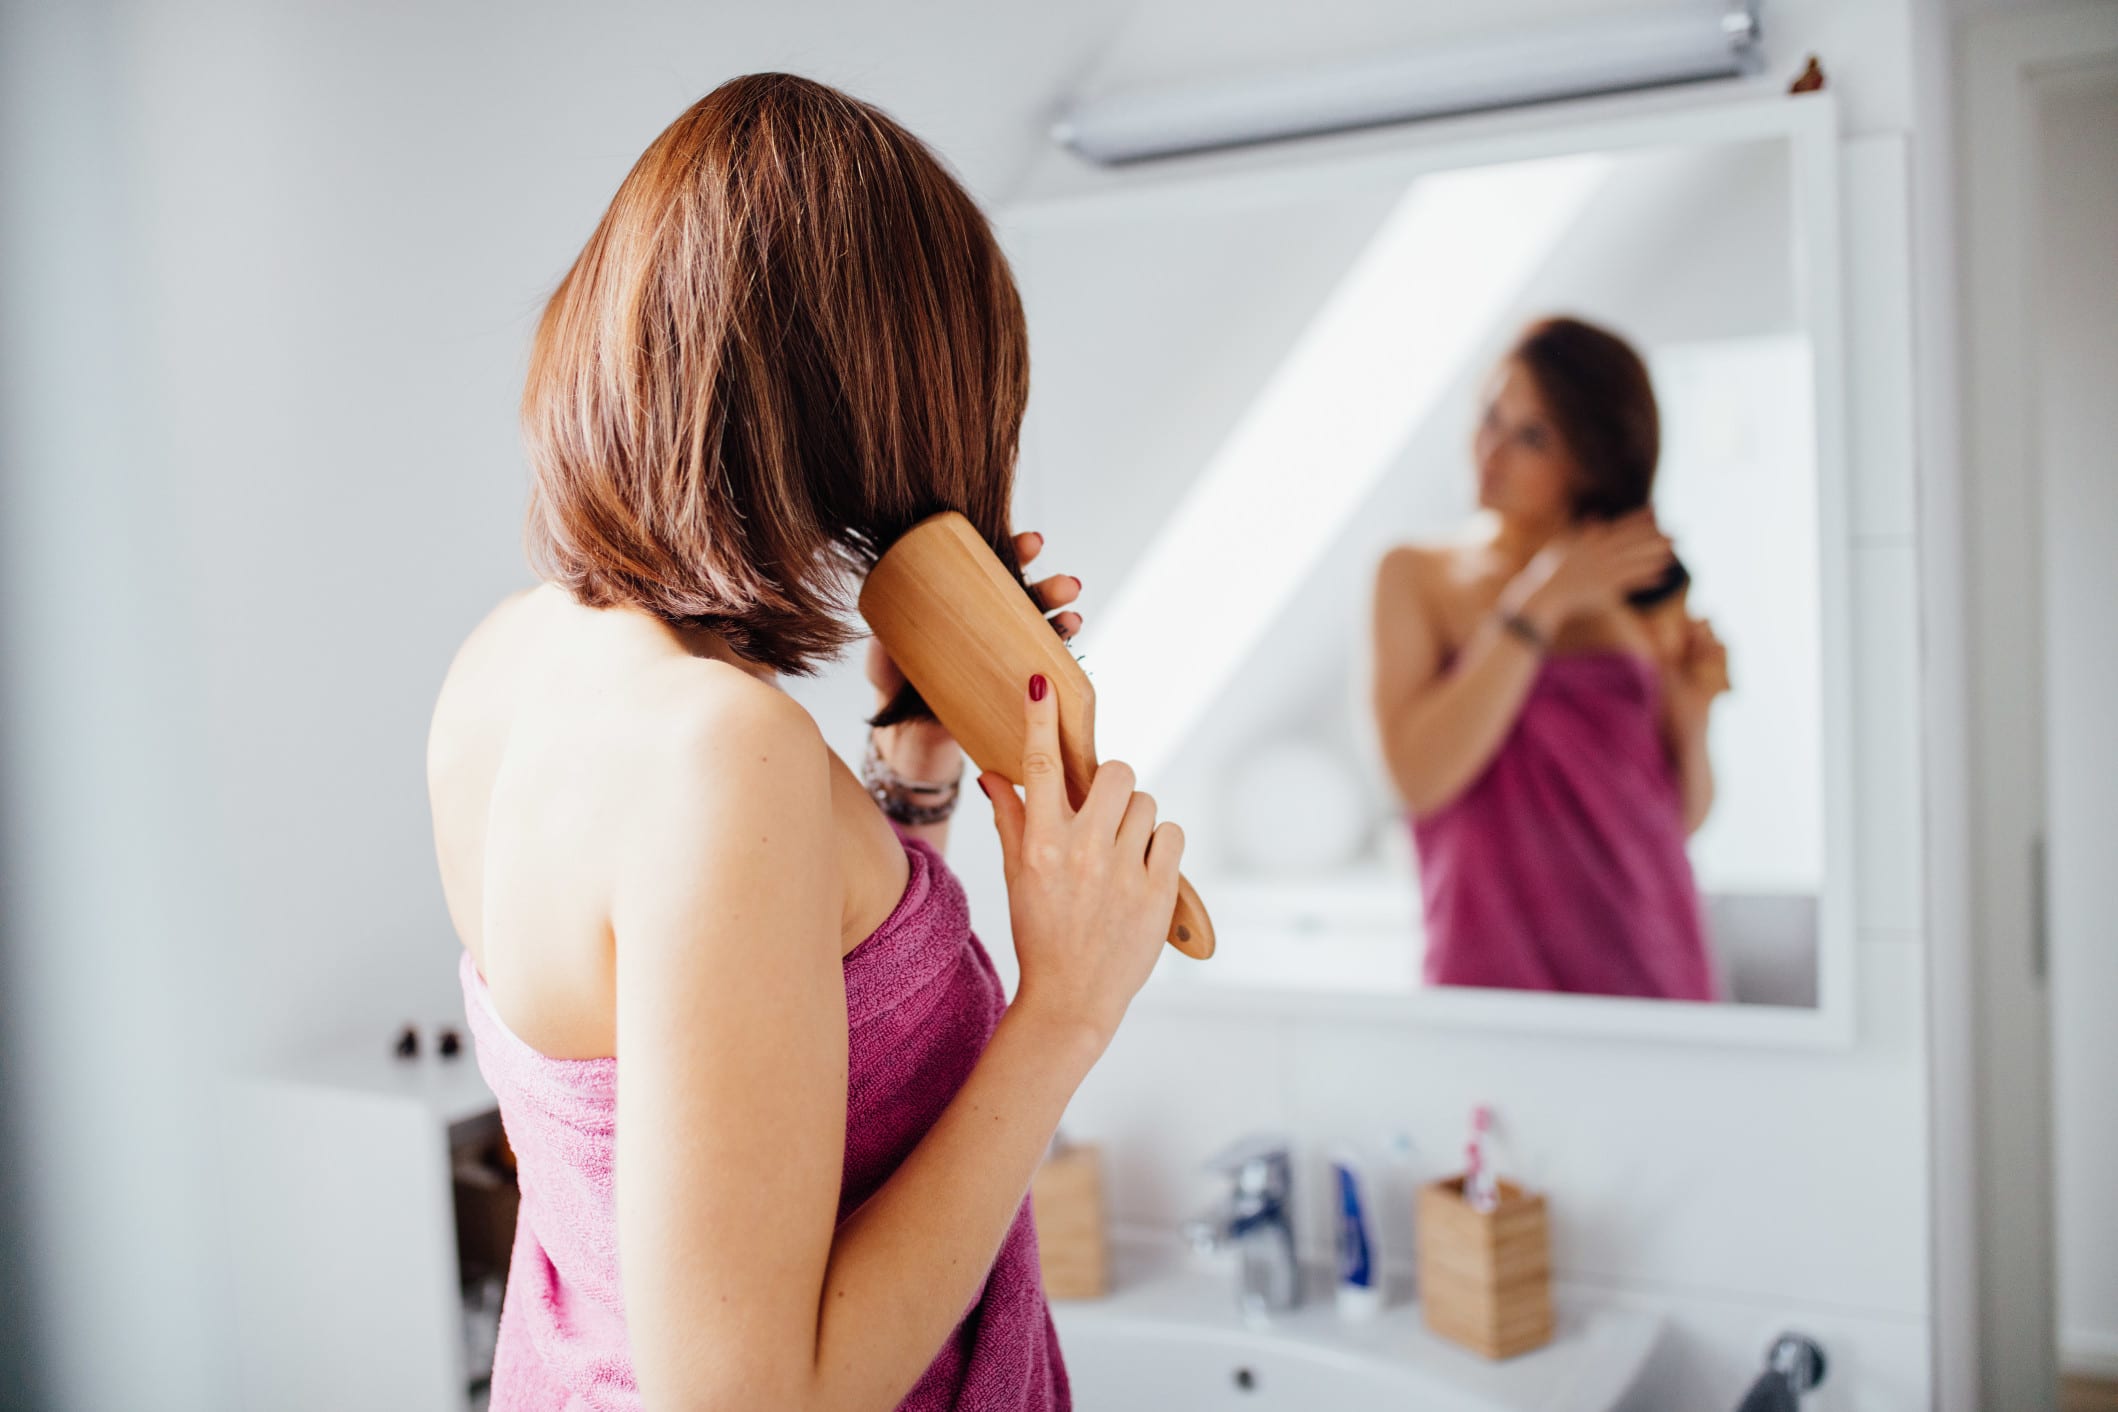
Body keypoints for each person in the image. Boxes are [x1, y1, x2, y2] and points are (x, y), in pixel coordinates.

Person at [426, 73, 1184, 1411]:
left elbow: (765, 1066)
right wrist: (1065, 1012)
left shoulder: (507, 661)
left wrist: (913, 758)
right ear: (886, 399)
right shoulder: (724, 757)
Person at [1368, 316, 1730, 1000]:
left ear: (1591, 459)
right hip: (1489, 970)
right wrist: (1541, 600)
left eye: (1531, 436)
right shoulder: (1415, 575)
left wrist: (1693, 712)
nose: (1489, 450)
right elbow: (1417, 778)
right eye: (1490, 416)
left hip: (1650, 959)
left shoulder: (1640, 587)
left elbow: (1678, 816)